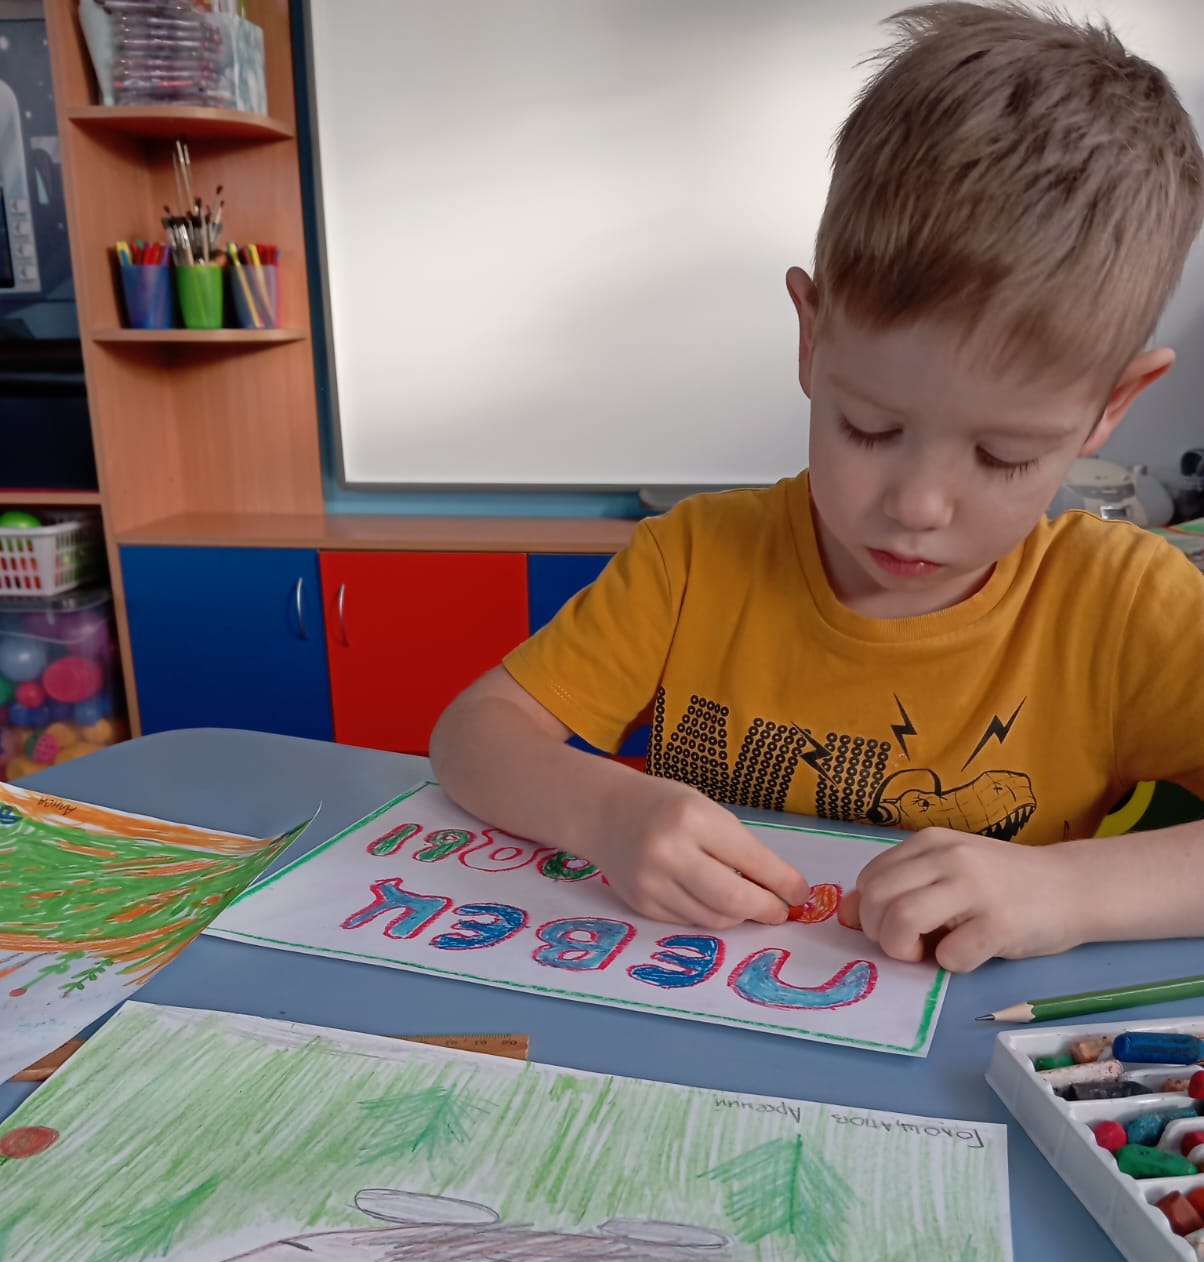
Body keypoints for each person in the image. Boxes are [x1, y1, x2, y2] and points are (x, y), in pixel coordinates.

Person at [431, 1, 1204, 973]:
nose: (917, 506)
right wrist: (605, 810)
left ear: (1110, 407)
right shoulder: (693, 560)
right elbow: (473, 733)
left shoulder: (1127, 608)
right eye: (870, 427)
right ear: (810, 336)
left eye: (1003, 455)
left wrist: (1070, 889)